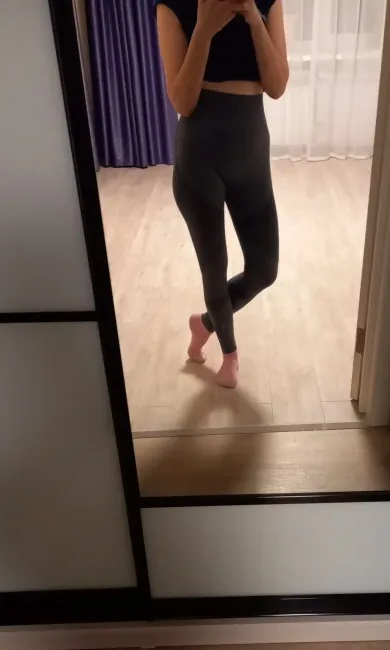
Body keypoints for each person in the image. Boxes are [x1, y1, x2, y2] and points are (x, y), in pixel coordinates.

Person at [156, 0, 289, 388]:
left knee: (264, 269)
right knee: (214, 266)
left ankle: (204, 324)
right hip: (200, 157)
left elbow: (277, 86)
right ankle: (229, 353)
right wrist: (204, 28)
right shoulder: (172, 5)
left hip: (251, 155)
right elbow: (183, 101)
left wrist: (254, 20)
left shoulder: (267, 2)